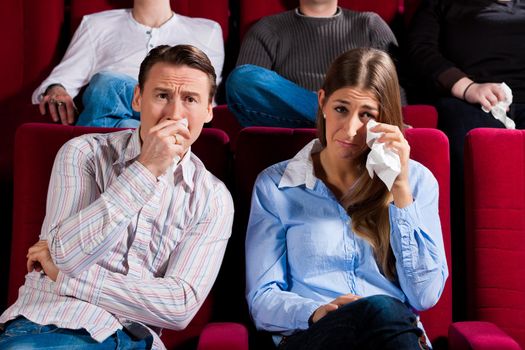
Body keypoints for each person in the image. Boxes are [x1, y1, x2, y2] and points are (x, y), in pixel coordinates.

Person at [0, 45, 234, 350]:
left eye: (190, 99)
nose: (175, 114)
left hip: (132, 338)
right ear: (138, 98)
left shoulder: (213, 197)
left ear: (208, 110)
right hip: (47, 323)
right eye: (162, 95)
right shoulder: (83, 153)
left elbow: (179, 307)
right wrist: (147, 168)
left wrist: (68, 279)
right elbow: (65, 256)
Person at [245, 48, 448, 349]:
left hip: (391, 336)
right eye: (341, 108)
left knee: (383, 310)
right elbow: (262, 297)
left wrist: (400, 189)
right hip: (315, 335)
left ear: (385, 121)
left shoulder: (417, 181)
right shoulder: (275, 185)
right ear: (323, 101)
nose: (351, 129)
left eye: (367, 115)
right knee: (380, 307)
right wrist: (314, 312)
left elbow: (425, 295)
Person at [405, 0, 525, 318]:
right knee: (476, 158)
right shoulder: (443, 4)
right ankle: (471, 296)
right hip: (470, 99)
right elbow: (418, 50)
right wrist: (467, 87)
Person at [33, 0, 224, 128]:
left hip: (172, 118)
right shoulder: (96, 25)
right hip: (115, 123)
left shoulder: (207, 30)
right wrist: (55, 89)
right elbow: (60, 81)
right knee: (108, 87)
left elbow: (205, 97)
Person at [226, 0, 400, 128]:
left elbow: (394, 93)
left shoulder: (370, 25)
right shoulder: (267, 28)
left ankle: (340, 115)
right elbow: (246, 94)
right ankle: (338, 115)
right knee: (241, 78)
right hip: (291, 129)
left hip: (360, 128)